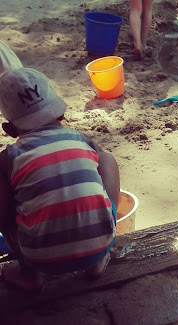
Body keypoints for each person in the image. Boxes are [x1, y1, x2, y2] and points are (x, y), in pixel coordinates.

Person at [0, 67, 120, 292]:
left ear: (9, 130)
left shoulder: (7, 158)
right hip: (99, 243)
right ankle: (98, 260)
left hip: (39, 257)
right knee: (106, 159)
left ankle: (29, 274)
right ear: (61, 113)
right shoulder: (80, 139)